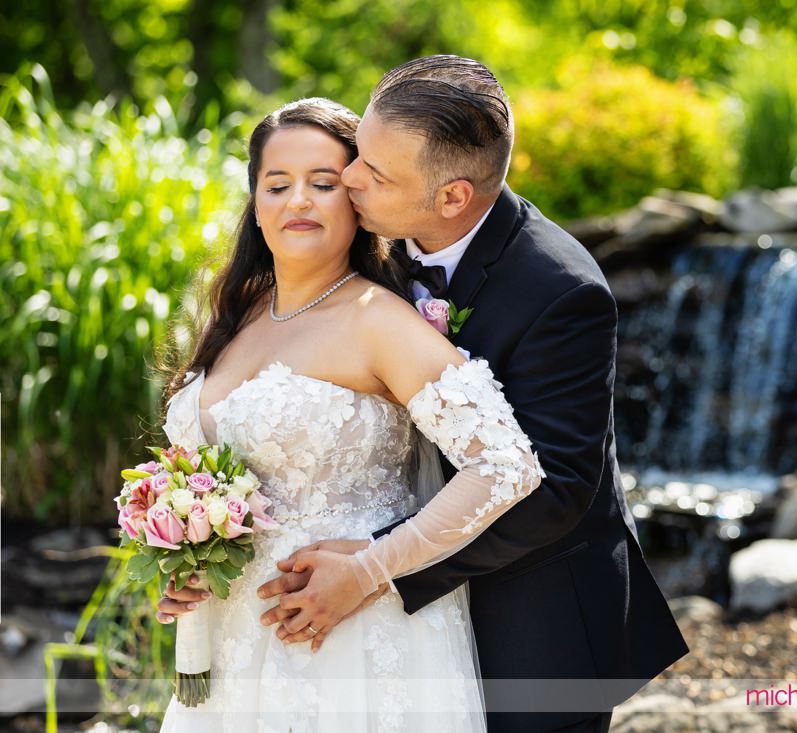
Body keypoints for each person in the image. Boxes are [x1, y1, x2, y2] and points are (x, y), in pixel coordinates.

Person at [252, 55, 689, 733]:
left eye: (375, 172)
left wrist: (378, 565)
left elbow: (558, 489)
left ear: (453, 196)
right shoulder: (376, 243)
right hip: (392, 618)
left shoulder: (562, 292)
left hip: (533, 615)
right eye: (358, 152)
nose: (349, 178)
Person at [155, 96, 545, 732]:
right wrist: (185, 559)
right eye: (277, 184)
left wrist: (370, 566)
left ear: (358, 201)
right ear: (255, 201)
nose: (298, 201)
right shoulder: (236, 313)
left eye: (324, 183)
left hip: (351, 644)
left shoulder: (380, 322)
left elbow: (504, 466)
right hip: (235, 646)